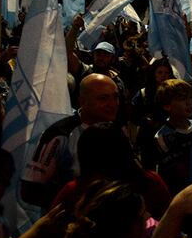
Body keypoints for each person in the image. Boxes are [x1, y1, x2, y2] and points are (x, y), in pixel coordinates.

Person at [21, 73, 120, 210]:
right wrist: (71, 204)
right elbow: (30, 189)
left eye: (115, 97)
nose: (112, 104)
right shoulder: (60, 134)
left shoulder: (118, 130)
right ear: (82, 101)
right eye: (103, 98)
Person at [149, 78, 192, 195]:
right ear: (167, 106)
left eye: (190, 97)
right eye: (182, 99)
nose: (189, 102)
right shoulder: (163, 138)